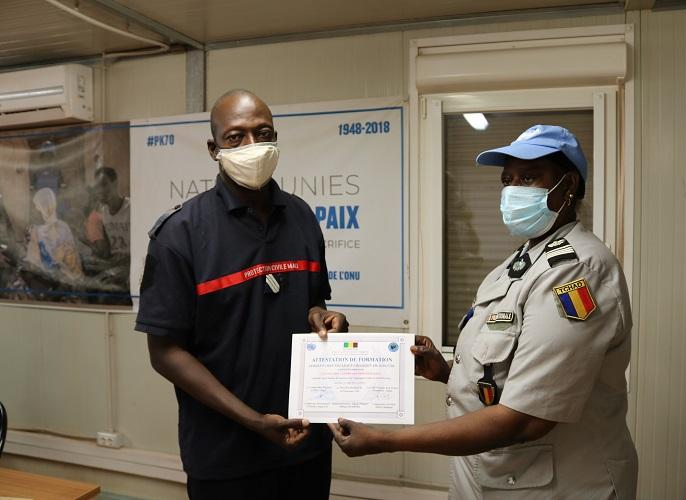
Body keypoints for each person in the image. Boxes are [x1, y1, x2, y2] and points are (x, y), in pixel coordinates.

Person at [329, 125, 637, 499]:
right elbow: (514, 371)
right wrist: (449, 373)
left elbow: (526, 418)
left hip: (556, 487)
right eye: (507, 180)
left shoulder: (575, 272)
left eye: (528, 178)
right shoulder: (520, 263)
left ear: (568, 185)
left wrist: (385, 440)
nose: (512, 190)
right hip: (495, 479)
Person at [135, 89, 348, 499]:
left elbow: (313, 303)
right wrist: (253, 420)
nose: (252, 145)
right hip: (225, 456)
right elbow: (164, 352)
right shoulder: (180, 234)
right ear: (214, 149)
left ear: (275, 138)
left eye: (262, 133)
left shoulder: (301, 216)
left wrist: (322, 317)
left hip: (307, 445)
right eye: (235, 137)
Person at [24, 187, 83, 283]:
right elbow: (33, 266)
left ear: (44, 207)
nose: (34, 210)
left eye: (36, 206)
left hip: (63, 281)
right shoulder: (36, 230)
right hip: (49, 281)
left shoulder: (62, 227)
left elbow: (74, 257)